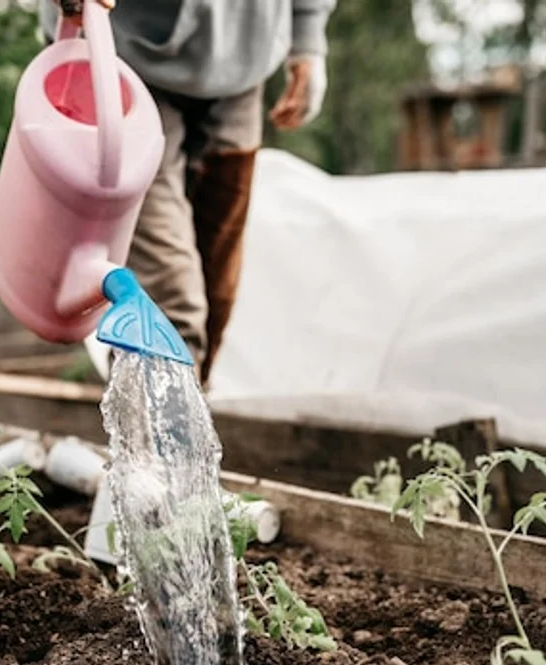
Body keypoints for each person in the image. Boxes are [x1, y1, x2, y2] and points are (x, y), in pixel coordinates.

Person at [41, 0, 335, 385]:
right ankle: (155, 433)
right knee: (171, 301)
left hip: (242, 61)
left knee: (217, 283)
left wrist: (307, 37)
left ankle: (185, 422)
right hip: (120, 53)